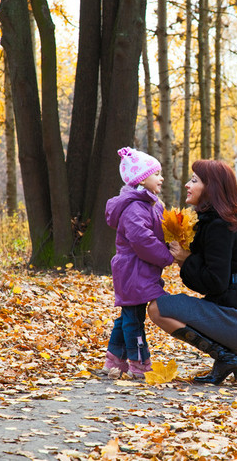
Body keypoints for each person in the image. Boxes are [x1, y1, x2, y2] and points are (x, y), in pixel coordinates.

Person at [148, 159, 237, 385]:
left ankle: (225, 357)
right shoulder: (220, 222)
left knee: (157, 309)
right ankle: (226, 357)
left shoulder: (219, 226)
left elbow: (215, 282)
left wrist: (186, 260)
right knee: (162, 307)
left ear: (211, 187)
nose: (187, 184)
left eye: (194, 180)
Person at [102, 147, 173, 379]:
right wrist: (166, 256)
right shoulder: (134, 208)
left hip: (142, 271)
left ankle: (114, 360)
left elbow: (161, 231)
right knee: (134, 319)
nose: (161, 178)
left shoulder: (152, 204)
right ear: (142, 179)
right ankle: (139, 363)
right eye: (156, 174)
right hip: (132, 272)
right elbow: (142, 240)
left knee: (127, 316)